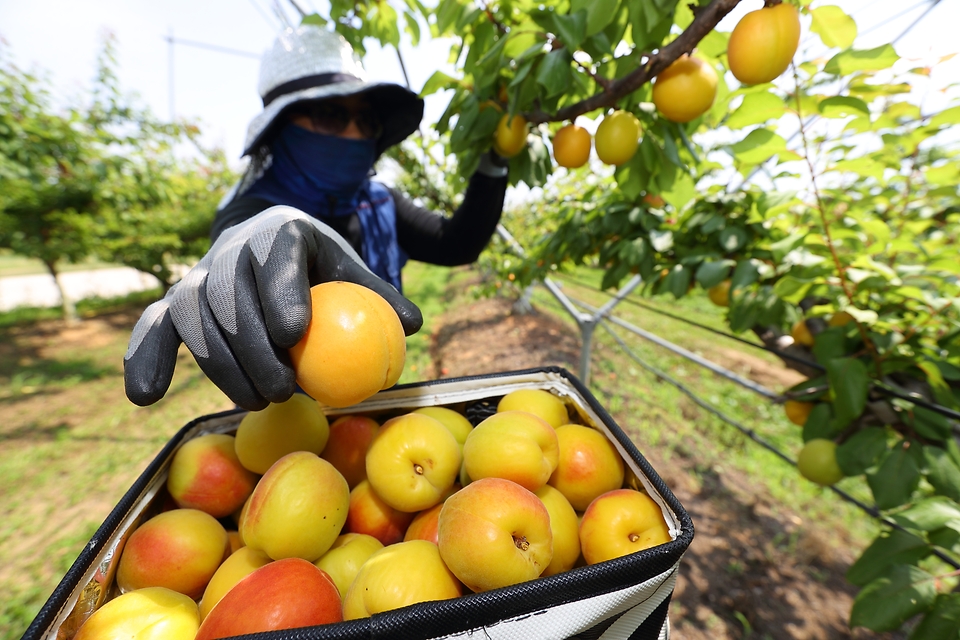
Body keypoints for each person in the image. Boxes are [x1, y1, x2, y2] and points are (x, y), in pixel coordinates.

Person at [123, 25, 509, 411]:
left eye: (367, 122)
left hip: (380, 407)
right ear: (282, 129)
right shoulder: (253, 211)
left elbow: (456, 243)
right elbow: (240, 239)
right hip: (291, 423)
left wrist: (495, 158)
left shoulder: (377, 201)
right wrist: (246, 231)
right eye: (330, 115)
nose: (355, 134)